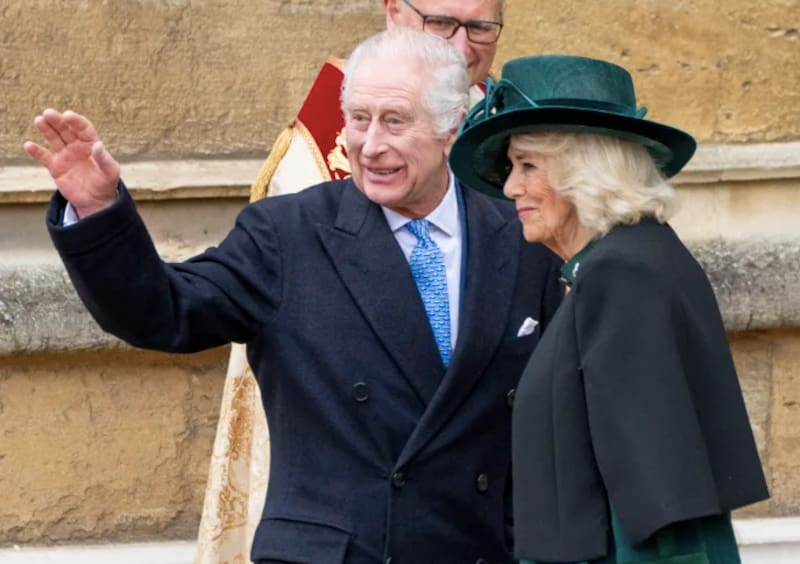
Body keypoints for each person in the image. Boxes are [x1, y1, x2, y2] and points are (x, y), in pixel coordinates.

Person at [25, 29, 563, 564]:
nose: (370, 145)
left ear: (451, 129)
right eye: (358, 119)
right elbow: (164, 311)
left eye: (395, 122)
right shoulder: (287, 233)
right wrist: (98, 214)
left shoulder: (520, 237)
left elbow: (561, 419)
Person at [201, 2, 507, 560]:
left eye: (480, 28)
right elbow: (177, 306)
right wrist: (99, 221)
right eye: (442, 24)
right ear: (394, 11)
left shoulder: (519, 138)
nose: (462, 46)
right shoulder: (313, 162)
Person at [449, 54, 769, 563]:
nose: (509, 188)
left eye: (528, 165)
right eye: (512, 168)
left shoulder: (622, 274)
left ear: (587, 170)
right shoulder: (623, 261)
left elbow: (657, 506)